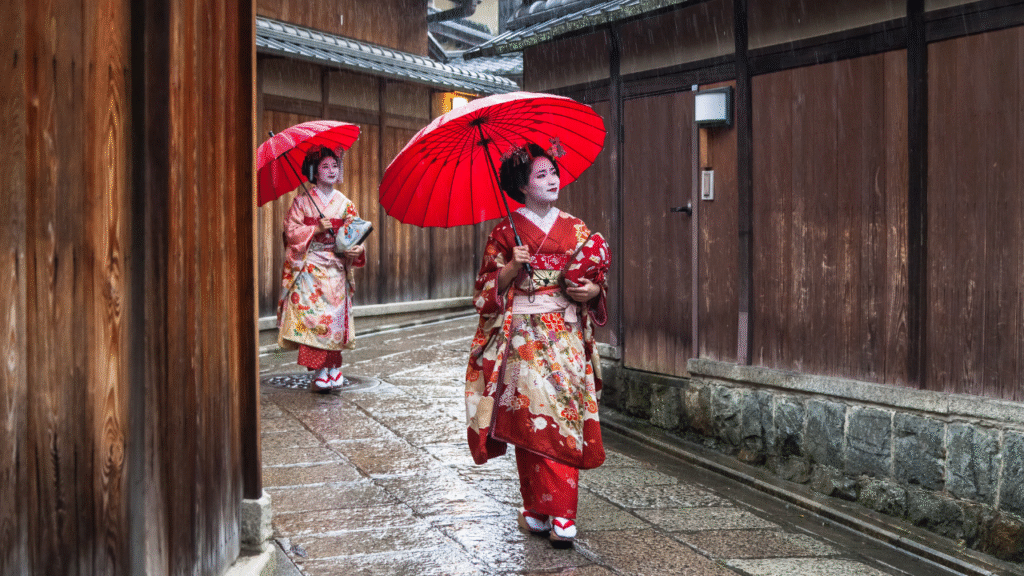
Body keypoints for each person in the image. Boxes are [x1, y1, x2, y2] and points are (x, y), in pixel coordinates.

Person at [465, 142, 611, 548]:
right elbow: (483, 292)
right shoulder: (504, 232)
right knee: (532, 416)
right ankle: (537, 509)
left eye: (553, 172)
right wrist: (512, 267)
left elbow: (595, 279)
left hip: (565, 333)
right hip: (524, 336)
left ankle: (561, 511)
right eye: (541, 175)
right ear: (522, 186)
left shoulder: (576, 228)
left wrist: (592, 291)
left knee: (562, 413)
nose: (552, 180)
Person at [277, 145, 366, 392]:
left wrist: (356, 249)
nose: (331, 170)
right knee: (313, 320)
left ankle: (334, 367)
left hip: (336, 266)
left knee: (335, 320)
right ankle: (319, 371)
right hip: (310, 268)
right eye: (325, 166)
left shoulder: (345, 204)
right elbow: (290, 231)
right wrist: (315, 229)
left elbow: (356, 235)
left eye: (334, 165)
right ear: (314, 172)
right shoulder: (302, 201)